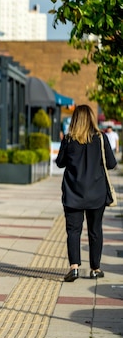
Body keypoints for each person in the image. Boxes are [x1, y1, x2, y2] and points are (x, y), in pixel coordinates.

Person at [55, 105, 117, 282]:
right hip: (96, 194)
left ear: (74, 119)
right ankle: (95, 268)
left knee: (73, 231)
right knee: (95, 230)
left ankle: (74, 268)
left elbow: (60, 163)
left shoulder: (68, 140)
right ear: (91, 118)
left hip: (73, 193)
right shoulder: (100, 138)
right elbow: (111, 164)